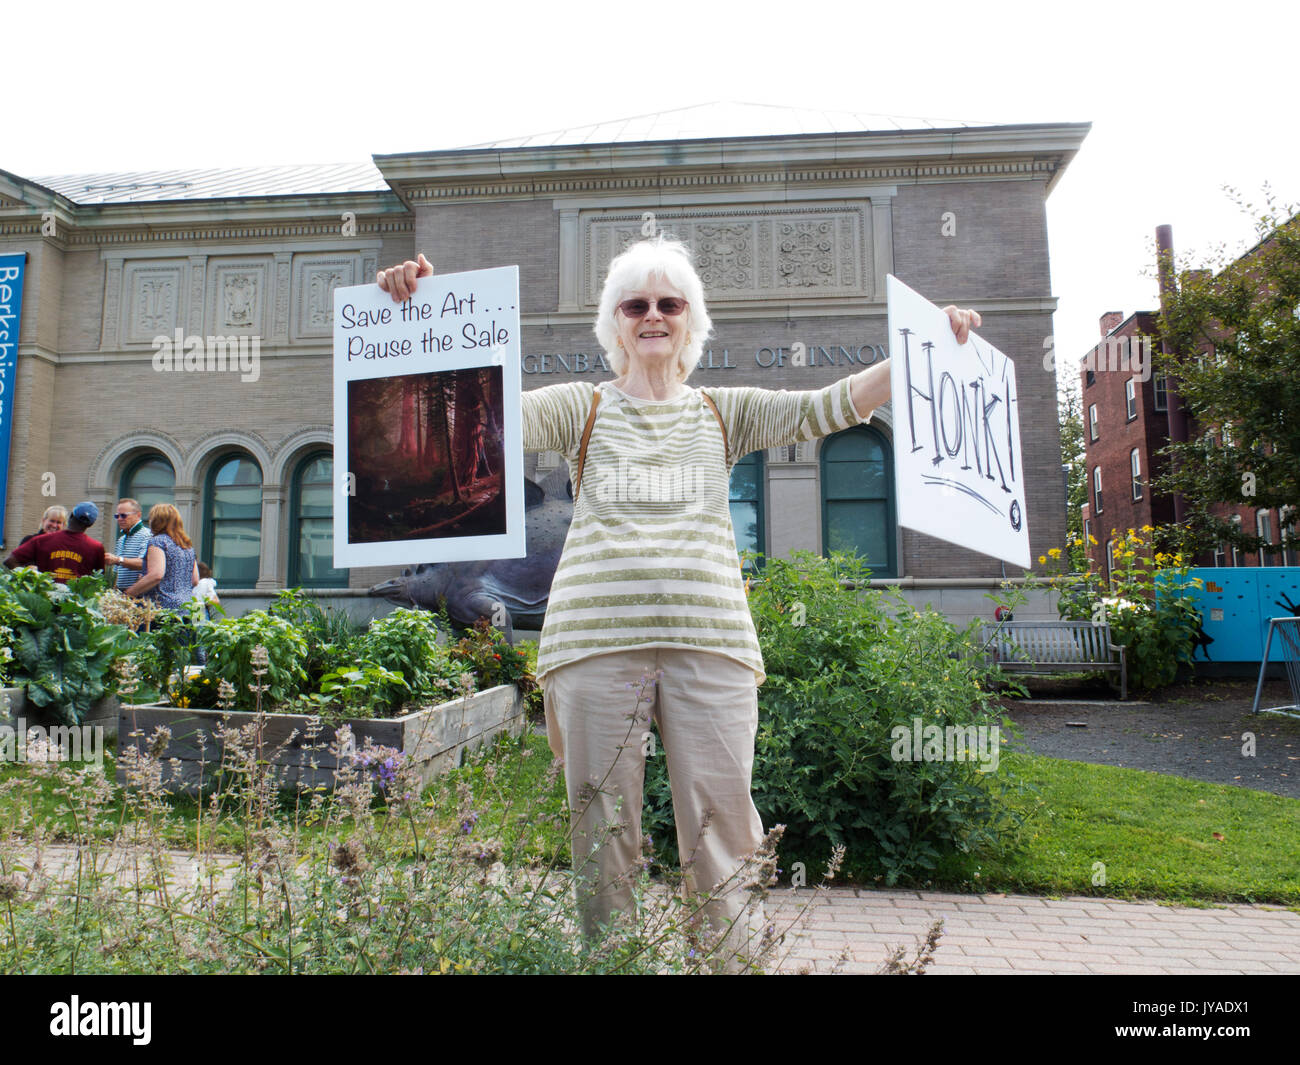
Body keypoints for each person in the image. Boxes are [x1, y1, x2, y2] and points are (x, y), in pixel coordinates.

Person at [377, 241, 980, 961]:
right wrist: (419, 311)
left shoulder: (724, 413)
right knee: (603, 831)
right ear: (615, 322)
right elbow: (475, 417)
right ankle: (616, 963)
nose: (653, 315)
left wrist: (921, 350)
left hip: (712, 647)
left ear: (691, 319)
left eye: (669, 303)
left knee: (721, 832)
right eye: (636, 304)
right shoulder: (584, 408)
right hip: (595, 647)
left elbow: (829, 405)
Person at [4, 501, 105, 583]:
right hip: (75, 604)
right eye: (52, 521)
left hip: (43, 599)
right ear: (91, 524)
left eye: (58, 522)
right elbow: (99, 580)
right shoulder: (96, 548)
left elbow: (9, 561)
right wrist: (28, 573)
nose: (54, 525)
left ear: (70, 517)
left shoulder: (40, 541)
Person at [123, 503, 199, 610]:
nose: (149, 522)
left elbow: (156, 575)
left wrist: (129, 593)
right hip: (188, 606)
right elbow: (195, 580)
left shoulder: (158, 542)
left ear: (157, 522)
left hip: (162, 608)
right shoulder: (187, 546)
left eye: (151, 519)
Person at [103, 498, 151, 592]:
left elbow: (144, 563)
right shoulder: (121, 539)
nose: (120, 519)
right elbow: (117, 573)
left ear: (138, 515)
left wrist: (117, 560)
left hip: (139, 596)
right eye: (117, 516)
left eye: (124, 515)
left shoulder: (147, 535)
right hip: (122, 595)